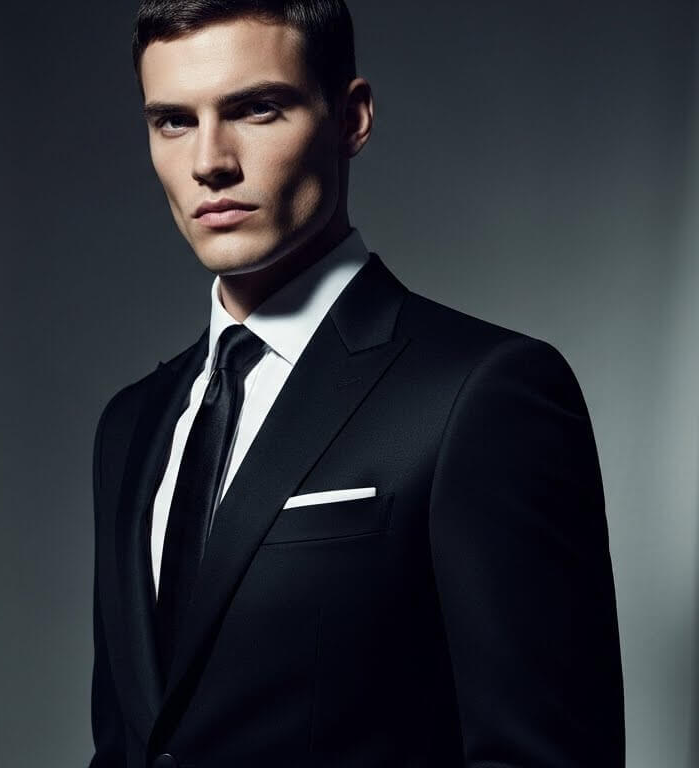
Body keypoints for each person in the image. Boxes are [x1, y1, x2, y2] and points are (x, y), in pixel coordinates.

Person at [90, 1, 624, 765]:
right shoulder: (131, 425)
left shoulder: (481, 394)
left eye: (255, 109)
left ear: (351, 119)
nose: (210, 161)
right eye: (173, 121)